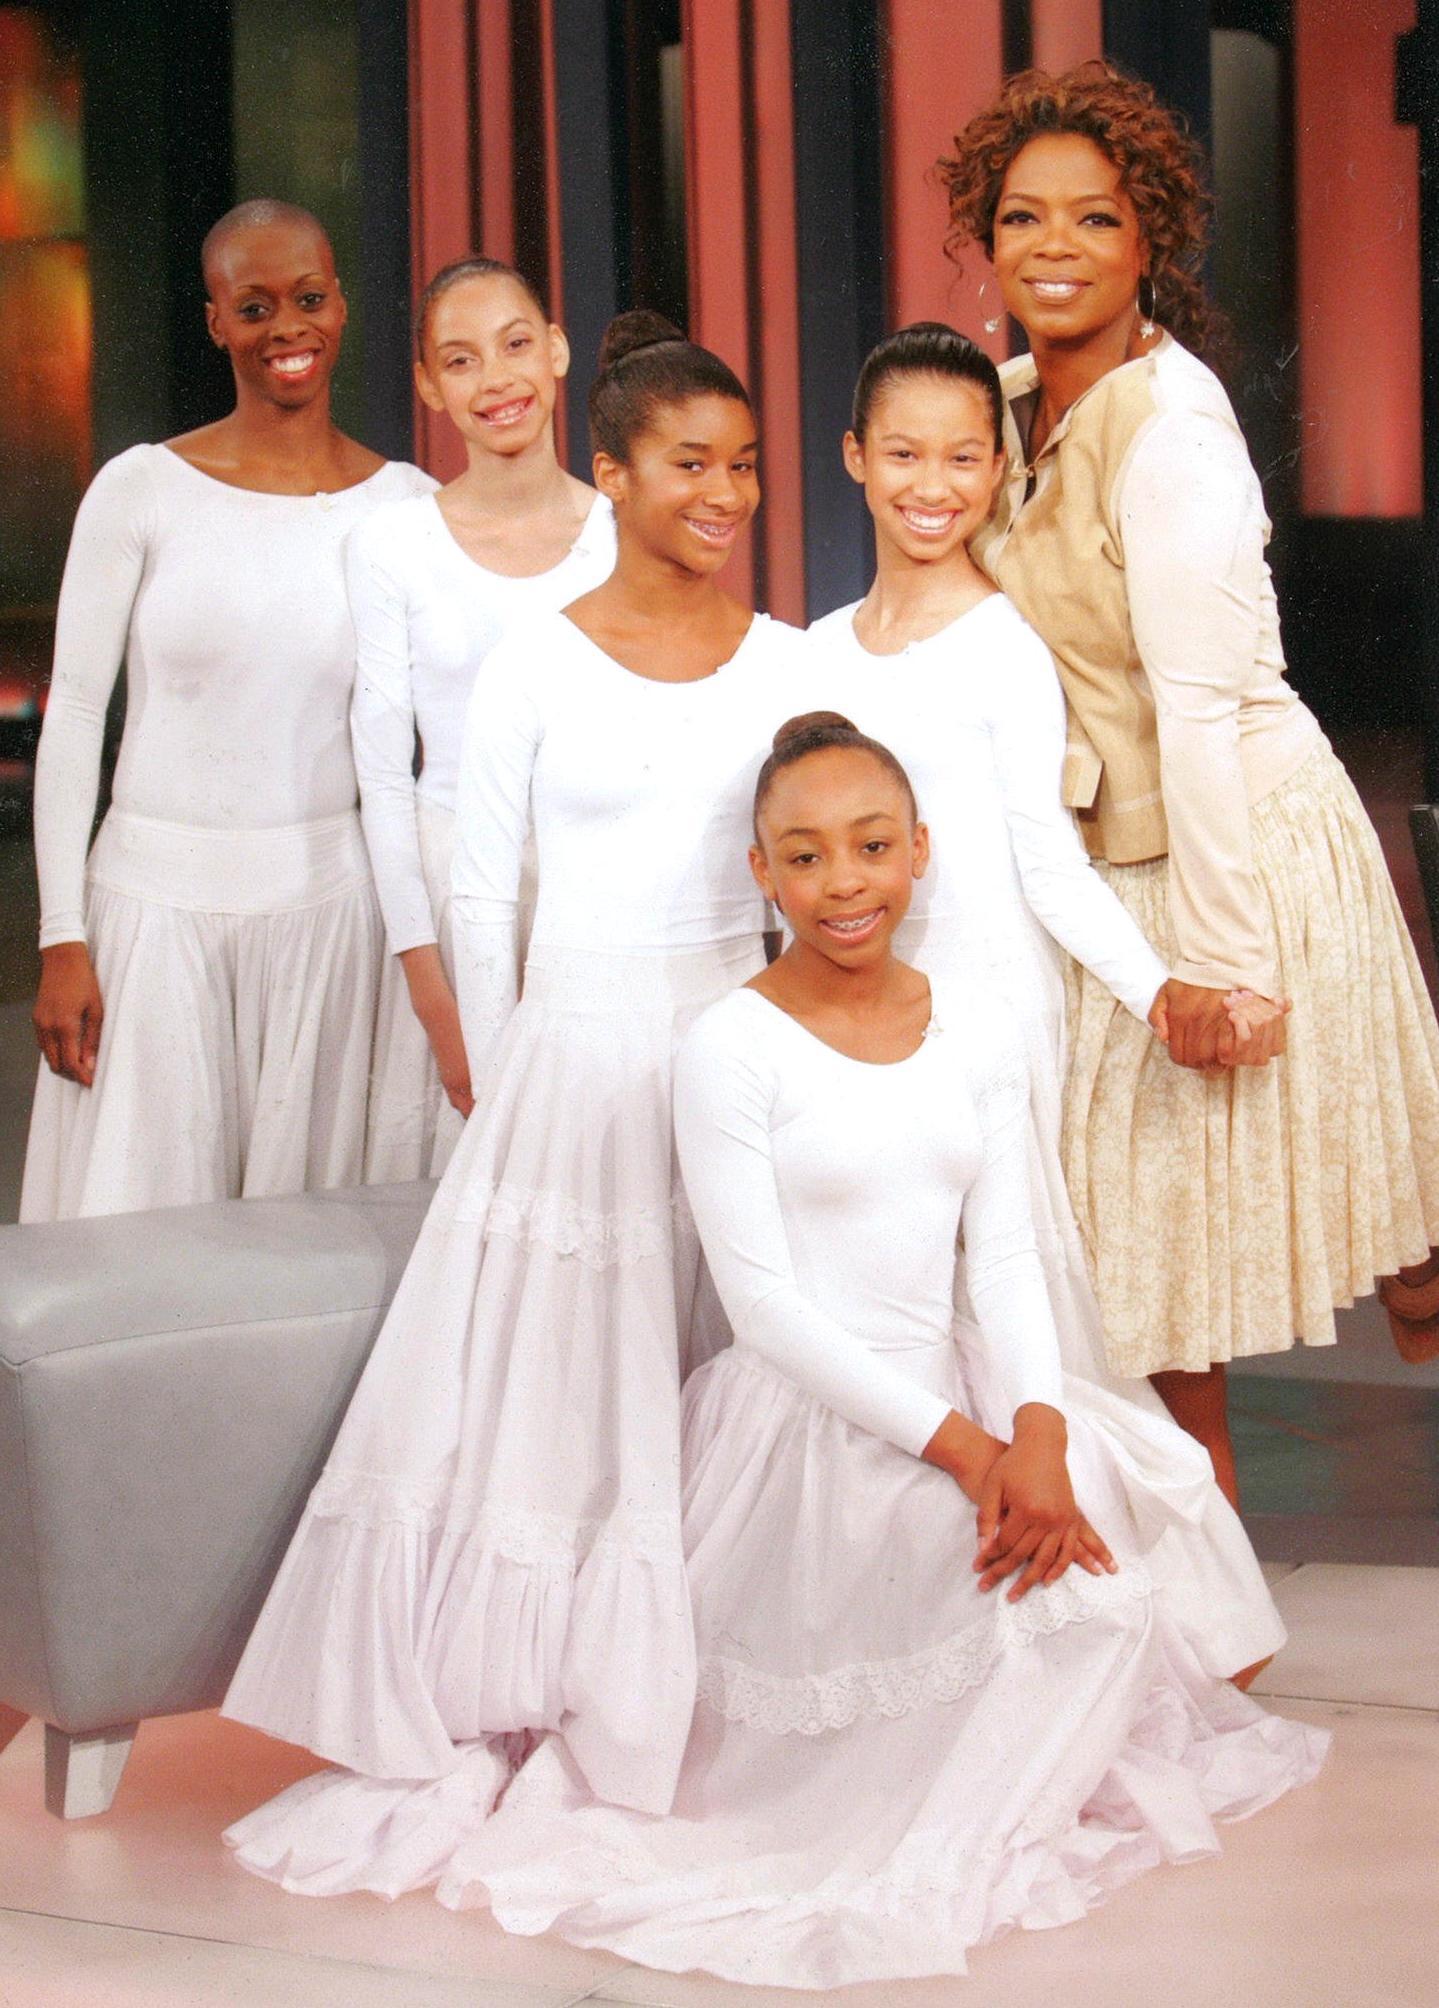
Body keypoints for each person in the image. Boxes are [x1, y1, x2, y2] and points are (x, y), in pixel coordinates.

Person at [397, 716, 1326, 1991]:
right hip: (808, 1418)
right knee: (994, 1573)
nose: (844, 882)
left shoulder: (978, 1023)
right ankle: (889, 1801)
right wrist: (969, 1451)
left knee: (1104, 1529)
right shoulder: (729, 1044)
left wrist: (1039, 1431)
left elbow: (998, 1254)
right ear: (762, 875)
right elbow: (766, 1306)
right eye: (806, 855)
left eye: (871, 847)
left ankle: (1000, 1748)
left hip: (963, 1381)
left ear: (919, 853)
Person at [221, 312, 804, 1888]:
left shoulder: (788, 663)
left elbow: (805, 895)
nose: (727, 491)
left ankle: (739, 1664)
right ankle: (558, 1677)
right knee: (566, 1406)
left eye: (745, 465)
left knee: (733, 1367)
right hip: (572, 1057)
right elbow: (483, 896)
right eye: (692, 463)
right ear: (610, 472)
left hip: (731, 1052)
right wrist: (498, 1077)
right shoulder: (540, 659)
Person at [937, 64, 1439, 1487]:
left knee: (1165, 1279)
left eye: (1090, 220)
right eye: (1021, 216)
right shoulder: (1004, 401)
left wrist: (1230, 965)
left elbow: (1198, 711)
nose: (1050, 246)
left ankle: (1199, 1627)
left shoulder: (1173, 433)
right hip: (1102, 858)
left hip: (1224, 843)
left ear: (1145, 241)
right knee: (1141, 1271)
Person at [804, 323, 1280, 1658]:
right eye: (901, 453)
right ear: (853, 459)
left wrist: (1158, 992)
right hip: (858, 1021)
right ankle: (942, 1628)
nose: (930, 484)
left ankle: (1158, 1618)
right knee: (897, 1310)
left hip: (988, 1011)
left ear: (997, 466)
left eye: (962, 457)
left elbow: (1046, 866)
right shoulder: (813, 653)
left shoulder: (1005, 646)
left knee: (1019, 1316)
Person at [22, 199, 434, 1220]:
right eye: (254, 307)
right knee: (134, 1237)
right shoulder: (141, 490)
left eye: (307, 299)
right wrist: (61, 933)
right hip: (149, 916)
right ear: (215, 320)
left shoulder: (408, 508)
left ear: (340, 306)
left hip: (336, 921)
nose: (285, 327)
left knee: (305, 1243)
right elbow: (74, 711)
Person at [355, 258, 615, 1179]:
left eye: (514, 346)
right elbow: (384, 779)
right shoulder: (394, 544)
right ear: (429, 386)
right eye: (460, 361)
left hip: (591, 890)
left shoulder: (619, 531)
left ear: (555, 350)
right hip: (449, 887)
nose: (496, 380)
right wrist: (432, 991)